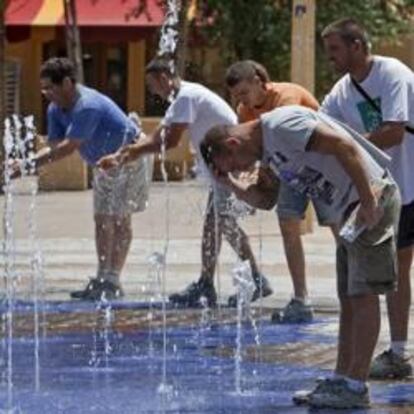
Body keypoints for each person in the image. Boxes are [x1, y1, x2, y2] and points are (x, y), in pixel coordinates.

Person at [200, 105, 400, 409]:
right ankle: (342, 379)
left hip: (370, 200)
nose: (238, 170)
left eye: (233, 166)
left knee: (363, 296)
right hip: (349, 212)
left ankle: (356, 387)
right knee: (348, 298)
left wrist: (368, 200)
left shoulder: (282, 126)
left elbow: (343, 145)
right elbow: (266, 199)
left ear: (232, 144)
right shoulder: (268, 151)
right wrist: (230, 184)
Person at [98, 57, 272, 308]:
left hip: (234, 165)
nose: (152, 91)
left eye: (152, 85)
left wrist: (126, 156)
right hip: (224, 168)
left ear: (163, 79)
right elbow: (158, 134)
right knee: (215, 224)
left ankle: (252, 279)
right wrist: (122, 155)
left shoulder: (187, 97)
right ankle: (208, 283)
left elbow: (168, 142)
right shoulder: (184, 99)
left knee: (223, 222)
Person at [11, 57, 150, 301]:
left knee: (119, 219)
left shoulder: (88, 105)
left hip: (129, 156)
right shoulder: (55, 109)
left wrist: (26, 165)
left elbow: (68, 148)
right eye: (43, 88)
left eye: (49, 88)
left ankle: (113, 280)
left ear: (66, 82)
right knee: (102, 219)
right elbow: (53, 146)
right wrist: (23, 161)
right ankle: (102, 278)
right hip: (103, 165)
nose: (46, 93)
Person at [320, 17, 414, 379]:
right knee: (397, 269)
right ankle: (398, 352)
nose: (330, 58)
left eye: (335, 50)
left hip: (410, 181)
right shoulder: (342, 91)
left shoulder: (393, 74)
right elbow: (320, 128)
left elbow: (393, 132)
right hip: (394, 191)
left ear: (357, 45)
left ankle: (398, 351)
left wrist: (348, 149)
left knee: (399, 268)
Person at [226, 59, 326, 322]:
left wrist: (266, 166)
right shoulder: (244, 111)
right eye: (237, 96)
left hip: (324, 164)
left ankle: (356, 290)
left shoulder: (287, 96)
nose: (243, 101)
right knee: (287, 225)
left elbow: (292, 136)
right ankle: (301, 299)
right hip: (290, 170)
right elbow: (253, 148)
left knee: (339, 225)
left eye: (245, 93)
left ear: (259, 81)